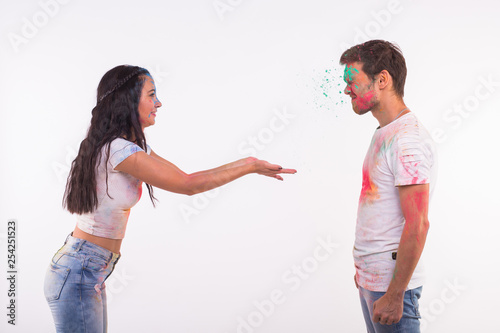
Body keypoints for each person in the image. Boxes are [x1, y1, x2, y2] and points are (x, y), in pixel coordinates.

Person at [43, 65, 296, 333]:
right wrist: (249, 168)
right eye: (151, 95)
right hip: (79, 271)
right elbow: (188, 186)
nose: (158, 103)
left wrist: (249, 162)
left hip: (86, 269)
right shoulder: (119, 150)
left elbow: (186, 176)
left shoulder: (127, 146)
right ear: (128, 100)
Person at [339, 40, 437, 332]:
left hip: (393, 290)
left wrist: (394, 294)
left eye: (352, 80)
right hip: (375, 282)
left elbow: (418, 224)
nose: (346, 89)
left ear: (382, 79)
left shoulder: (407, 140)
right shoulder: (385, 132)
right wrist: (367, 271)